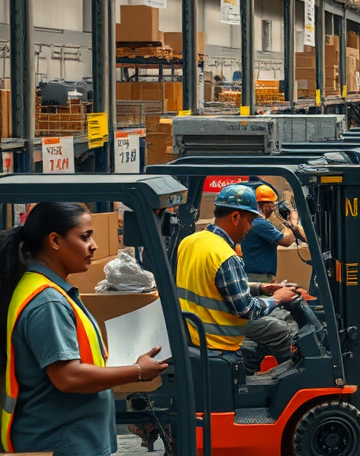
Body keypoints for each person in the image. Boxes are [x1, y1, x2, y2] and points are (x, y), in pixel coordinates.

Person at [0, 202, 167, 455]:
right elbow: (68, 377)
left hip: (67, 438)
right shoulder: (48, 302)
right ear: (55, 240)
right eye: (85, 236)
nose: (93, 245)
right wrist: (137, 371)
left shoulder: (47, 290)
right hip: (62, 442)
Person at [176, 184, 298, 365]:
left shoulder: (190, 242)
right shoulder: (224, 255)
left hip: (196, 328)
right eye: (249, 221)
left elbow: (213, 285)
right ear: (235, 217)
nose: (250, 228)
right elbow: (246, 310)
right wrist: (277, 299)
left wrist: (259, 288)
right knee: (282, 328)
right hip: (218, 336)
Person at [240, 184, 304, 284]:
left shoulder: (255, 222)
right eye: (272, 204)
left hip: (258, 276)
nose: (274, 208)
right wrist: (291, 223)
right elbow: (287, 241)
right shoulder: (259, 224)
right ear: (261, 205)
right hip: (258, 278)